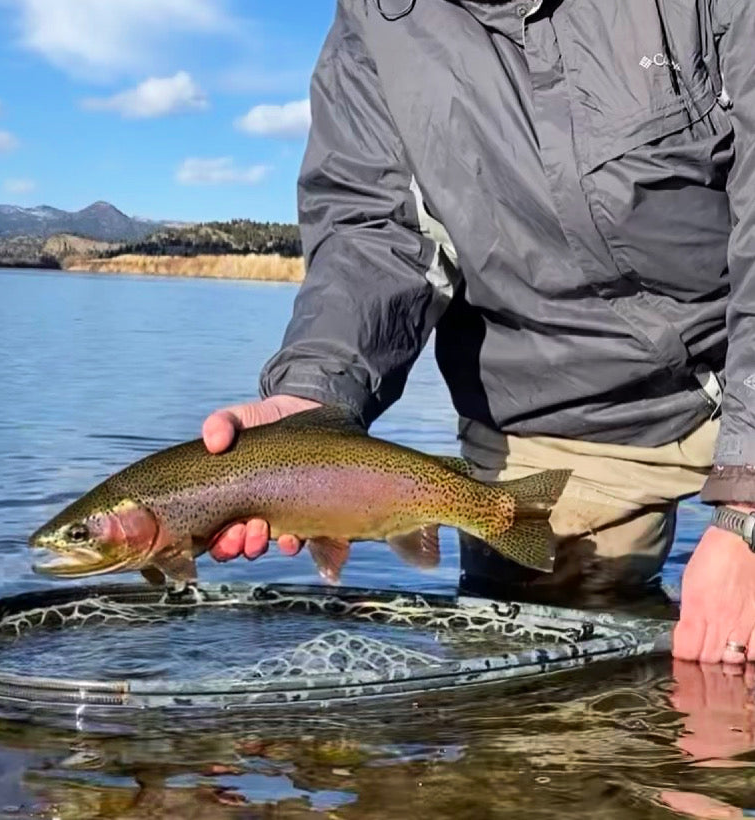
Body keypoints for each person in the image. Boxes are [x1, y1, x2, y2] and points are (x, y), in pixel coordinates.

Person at [201, 0, 755, 667]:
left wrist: (746, 511)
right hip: (561, 403)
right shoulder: (376, 23)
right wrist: (314, 399)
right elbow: (372, 237)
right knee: (539, 722)